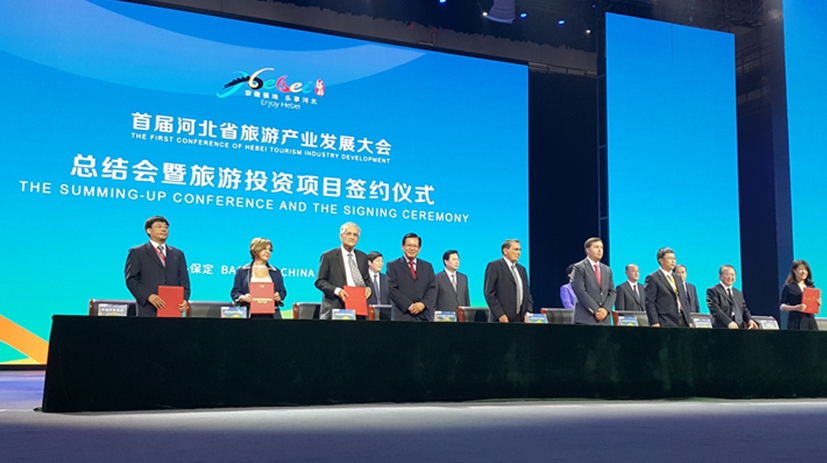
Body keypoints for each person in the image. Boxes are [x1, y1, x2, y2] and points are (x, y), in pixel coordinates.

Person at [125, 216, 191, 317]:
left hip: (173, 308)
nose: (164, 229)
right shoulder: (137, 252)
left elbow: (184, 280)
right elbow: (131, 280)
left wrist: (184, 299)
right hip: (148, 309)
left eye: (166, 227)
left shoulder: (178, 253)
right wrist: (148, 296)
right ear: (149, 230)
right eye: (159, 226)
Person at [315, 222, 371, 320]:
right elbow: (320, 281)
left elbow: (367, 281)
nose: (352, 237)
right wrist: (337, 291)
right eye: (348, 234)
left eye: (355, 235)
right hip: (335, 308)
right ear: (341, 236)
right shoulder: (328, 256)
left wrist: (369, 289)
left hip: (358, 310)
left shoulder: (363, 257)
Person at [230, 237, 287, 318]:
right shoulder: (242, 271)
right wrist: (242, 297)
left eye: (270, 250)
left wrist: (279, 296)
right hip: (249, 315)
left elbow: (282, 291)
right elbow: (235, 292)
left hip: (271, 316)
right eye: (264, 249)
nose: (268, 252)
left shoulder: (276, 272)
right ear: (254, 251)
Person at [387, 233, 437, 321]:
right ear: (402, 246)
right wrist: (409, 306)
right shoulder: (393, 265)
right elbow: (392, 289)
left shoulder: (427, 266)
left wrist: (423, 304)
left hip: (423, 316)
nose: (412, 249)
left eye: (415, 246)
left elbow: (432, 288)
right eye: (409, 245)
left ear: (419, 249)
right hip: (402, 315)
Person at [483, 239, 533, 323]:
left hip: (520, 320)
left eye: (520, 250)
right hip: (501, 320)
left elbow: (527, 294)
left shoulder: (522, 269)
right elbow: (489, 294)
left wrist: (528, 312)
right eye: (516, 249)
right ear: (505, 251)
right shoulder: (494, 266)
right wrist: (500, 315)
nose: (519, 253)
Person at [572, 237, 616, 325]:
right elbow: (580, 291)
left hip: (604, 320)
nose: (600, 250)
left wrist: (605, 310)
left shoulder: (607, 270)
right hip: (585, 319)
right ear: (588, 250)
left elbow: (612, 292)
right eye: (596, 247)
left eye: (601, 247)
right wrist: (596, 310)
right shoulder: (579, 268)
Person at [644, 247, 692, 327]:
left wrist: (688, 320)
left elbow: (683, 299)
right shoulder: (653, 278)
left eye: (674, 258)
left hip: (682, 320)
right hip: (665, 320)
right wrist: (654, 322)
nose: (673, 261)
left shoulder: (677, 277)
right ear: (661, 260)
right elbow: (650, 302)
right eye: (670, 258)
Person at [706, 265, 758, 329]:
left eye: (732, 275)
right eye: (727, 274)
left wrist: (749, 320)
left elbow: (744, 309)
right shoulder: (713, 291)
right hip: (721, 328)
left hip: (738, 328)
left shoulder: (738, 293)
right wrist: (729, 322)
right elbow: (715, 310)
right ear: (720, 276)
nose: (730, 277)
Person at [780, 260, 820, 331]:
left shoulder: (811, 286)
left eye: (805, 269)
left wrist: (817, 303)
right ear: (794, 270)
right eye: (800, 269)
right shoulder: (788, 287)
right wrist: (795, 308)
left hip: (810, 321)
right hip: (795, 321)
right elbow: (781, 306)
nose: (803, 272)